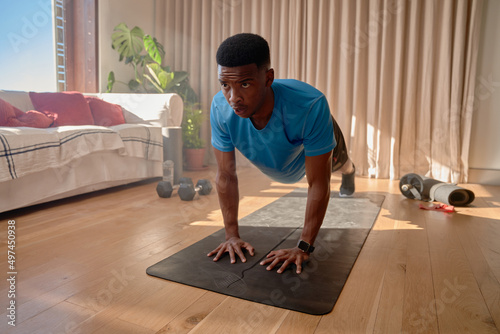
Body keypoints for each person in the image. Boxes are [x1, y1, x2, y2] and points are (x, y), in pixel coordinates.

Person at [207, 33, 355, 274]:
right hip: (279, 160)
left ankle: (351, 172)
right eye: (225, 85)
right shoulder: (220, 108)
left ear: (268, 78)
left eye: (244, 84)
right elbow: (226, 175)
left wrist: (303, 247)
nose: (233, 98)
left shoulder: (310, 105)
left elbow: (318, 183)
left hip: (314, 141)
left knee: (342, 165)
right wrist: (231, 235)